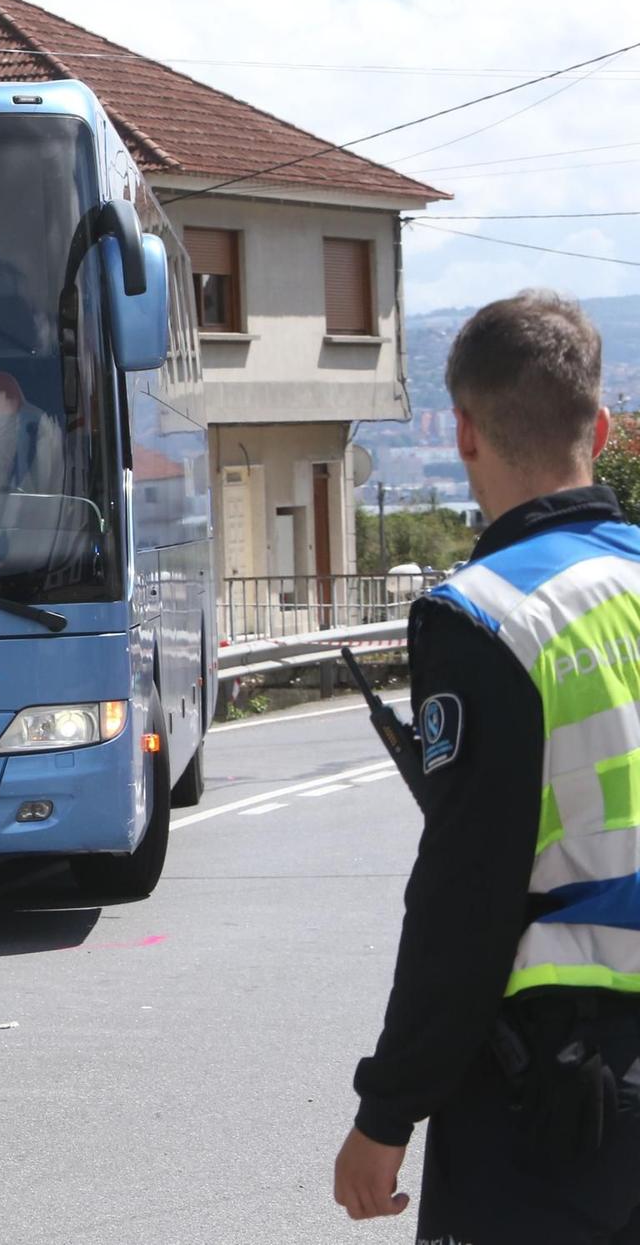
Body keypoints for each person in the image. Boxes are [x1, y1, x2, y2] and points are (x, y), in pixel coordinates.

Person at [332, 291, 640, 1241]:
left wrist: (388, 1110)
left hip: (553, 1096)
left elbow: (468, 892)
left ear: (461, 430)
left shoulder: (483, 615)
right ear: (601, 422)